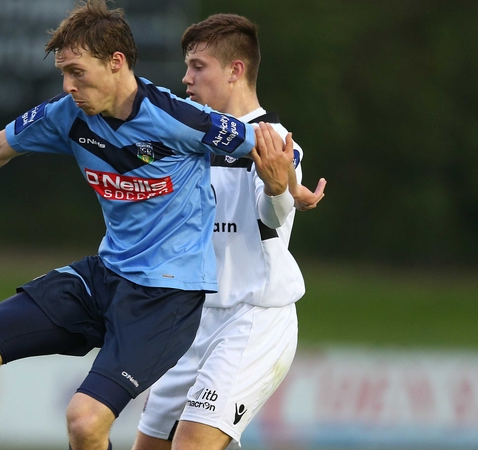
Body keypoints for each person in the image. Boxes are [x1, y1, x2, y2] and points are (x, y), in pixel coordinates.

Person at [0, 2, 293, 450]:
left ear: (116, 62)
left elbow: (268, 147)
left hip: (166, 299)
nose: (68, 86)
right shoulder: (67, 114)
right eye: (63, 73)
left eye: (77, 72)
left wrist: (292, 189)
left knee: (85, 422)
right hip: (106, 276)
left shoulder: (179, 117)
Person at [133, 13, 326, 450]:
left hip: (251, 319)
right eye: (187, 66)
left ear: (235, 70)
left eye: (198, 66)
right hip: (192, 321)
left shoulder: (275, 141)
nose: (187, 78)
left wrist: (278, 189)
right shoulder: (190, 138)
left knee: (191, 444)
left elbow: (273, 215)